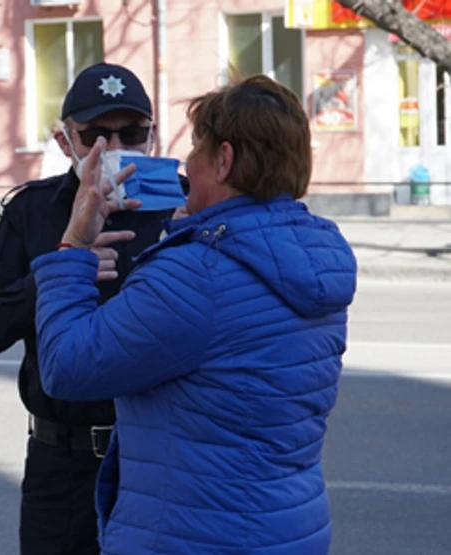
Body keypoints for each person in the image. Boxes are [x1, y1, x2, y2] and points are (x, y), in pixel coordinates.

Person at [31, 74, 358, 553]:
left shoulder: (199, 271)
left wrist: (73, 249)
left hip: (193, 536)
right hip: (288, 526)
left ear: (223, 161)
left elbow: (66, 366)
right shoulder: (311, 255)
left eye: (198, 149)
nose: (188, 163)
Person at [0, 63, 185, 555]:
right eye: (96, 135)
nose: (115, 148)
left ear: (152, 135)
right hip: (61, 462)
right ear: (65, 142)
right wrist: (54, 273)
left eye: (132, 132)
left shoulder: (182, 209)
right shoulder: (33, 211)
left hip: (157, 459)